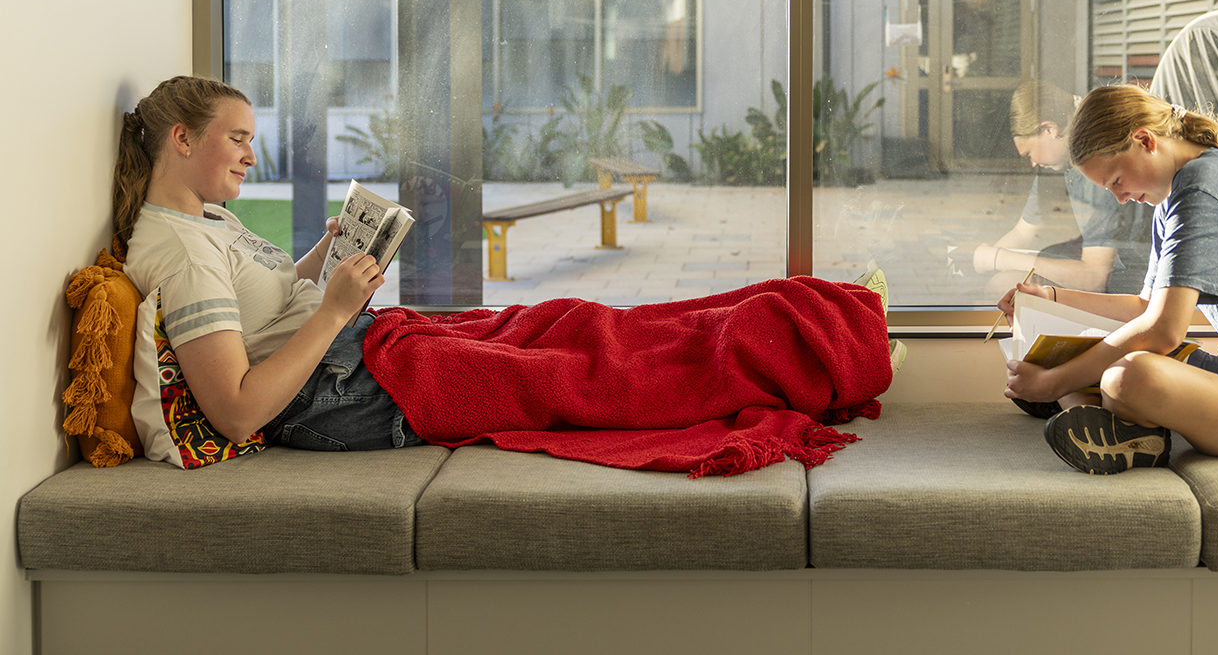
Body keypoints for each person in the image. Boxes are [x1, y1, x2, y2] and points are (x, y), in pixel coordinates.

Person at [114, 75, 893, 462]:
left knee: (569, 319)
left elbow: (271, 304)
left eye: (253, 139)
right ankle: (812, 342)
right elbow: (239, 410)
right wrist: (330, 310)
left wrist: (328, 255)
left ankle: (812, 310)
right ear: (181, 140)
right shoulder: (177, 252)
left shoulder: (204, 220)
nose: (253, 154)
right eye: (238, 138)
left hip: (362, 346)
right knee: (582, 366)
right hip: (338, 388)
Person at [1000, 83, 1218, 475]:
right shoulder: (1175, 194)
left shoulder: (1205, 189)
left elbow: (1163, 330)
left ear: (1145, 141)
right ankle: (1126, 428)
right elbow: (1144, 306)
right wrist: (1048, 299)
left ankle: (1110, 420)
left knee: (1128, 376)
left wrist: (1053, 383)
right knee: (1088, 350)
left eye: (1116, 180)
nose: (1119, 198)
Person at [971, 81, 1151, 300]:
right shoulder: (1061, 159)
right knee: (1004, 280)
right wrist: (982, 263)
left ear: (1049, 129)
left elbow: (1094, 278)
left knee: (1005, 286)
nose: (1033, 163)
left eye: (1030, 153)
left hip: (1131, 285)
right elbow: (1024, 232)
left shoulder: (1100, 163)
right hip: (1101, 265)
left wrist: (999, 259)